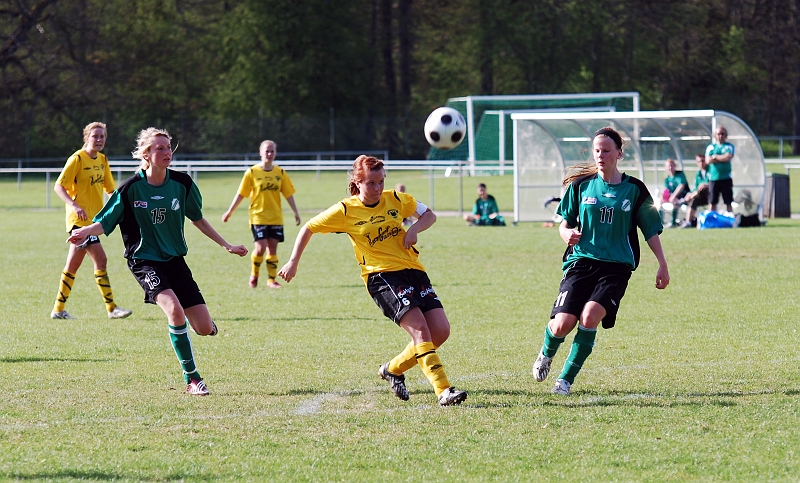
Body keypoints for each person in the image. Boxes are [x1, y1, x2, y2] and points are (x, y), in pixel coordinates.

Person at [67, 128, 248, 396]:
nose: (167, 152)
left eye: (168, 147)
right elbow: (104, 223)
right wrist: (84, 231)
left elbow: (197, 218)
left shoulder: (182, 184)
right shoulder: (130, 188)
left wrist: (226, 245)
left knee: (203, 328)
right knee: (174, 309)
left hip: (175, 261)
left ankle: (206, 328)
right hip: (144, 261)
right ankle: (193, 379)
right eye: (160, 148)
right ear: (146, 155)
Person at [278, 155, 467, 406]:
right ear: (358, 182)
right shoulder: (345, 210)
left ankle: (392, 369)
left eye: (381, 182)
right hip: (382, 276)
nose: (377, 188)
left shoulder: (396, 199)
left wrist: (413, 229)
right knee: (421, 330)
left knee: (440, 332)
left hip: (414, 270)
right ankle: (443, 390)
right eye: (371, 183)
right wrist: (293, 262)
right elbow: (309, 227)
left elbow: (429, 215)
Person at [531, 127, 670, 395]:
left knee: (590, 316)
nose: (600, 155)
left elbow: (650, 229)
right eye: (597, 150)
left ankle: (565, 380)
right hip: (581, 262)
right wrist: (566, 234)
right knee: (562, 324)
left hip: (616, 267)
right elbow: (565, 224)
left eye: (606, 150)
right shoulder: (581, 186)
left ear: (619, 154)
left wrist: (662, 263)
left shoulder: (635, 190)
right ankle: (546, 354)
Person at [51, 122, 132, 320]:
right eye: (95, 136)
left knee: (72, 266)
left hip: (93, 222)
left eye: (102, 136)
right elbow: (59, 186)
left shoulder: (103, 160)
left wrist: (123, 206)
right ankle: (112, 308)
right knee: (101, 259)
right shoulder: (77, 159)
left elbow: (111, 190)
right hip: (78, 221)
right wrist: (74, 205)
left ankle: (58, 309)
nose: (99, 140)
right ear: (86, 137)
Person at [222, 140, 300, 289]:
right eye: (267, 151)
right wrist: (229, 211)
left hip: (276, 217)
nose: (269, 154)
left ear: (275, 153)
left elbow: (288, 194)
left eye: (272, 151)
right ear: (260, 152)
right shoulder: (252, 172)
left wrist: (296, 212)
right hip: (258, 216)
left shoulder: (280, 173)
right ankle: (254, 275)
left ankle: (271, 280)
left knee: (272, 250)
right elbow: (241, 194)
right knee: (260, 248)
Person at [705, 125, 734, 213]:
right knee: (712, 202)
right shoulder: (711, 147)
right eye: (718, 134)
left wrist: (715, 157)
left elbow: (728, 157)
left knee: (728, 201)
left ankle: (730, 219)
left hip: (726, 178)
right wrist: (722, 158)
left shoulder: (729, 146)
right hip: (713, 178)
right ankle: (711, 219)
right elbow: (708, 160)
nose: (720, 136)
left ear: (726, 135)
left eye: (722, 134)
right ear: (715, 135)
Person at [679, 154, 710, 228]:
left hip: (711, 195)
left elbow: (714, 183)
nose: (701, 163)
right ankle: (688, 222)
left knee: (702, 188)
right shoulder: (698, 174)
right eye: (699, 161)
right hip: (701, 196)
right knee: (694, 200)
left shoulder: (711, 170)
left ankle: (684, 200)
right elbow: (695, 187)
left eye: (703, 161)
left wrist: (706, 185)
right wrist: (690, 193)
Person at [659, 158, 690, 228]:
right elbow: (665, 190)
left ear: (675, 166)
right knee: (659, 203)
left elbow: (681, 185)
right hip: (672, 197)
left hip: (683, 196)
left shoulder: (680, 174)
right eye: (668, 166)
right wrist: (662, 197)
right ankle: (660, 223)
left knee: (674, 202)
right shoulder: (667, 179)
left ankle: (673, 223)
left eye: (671, 166)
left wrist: (673, 196)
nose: (670, 168)